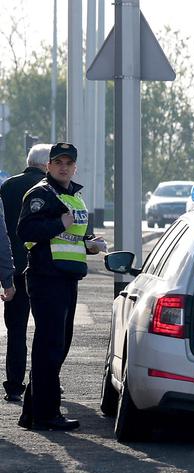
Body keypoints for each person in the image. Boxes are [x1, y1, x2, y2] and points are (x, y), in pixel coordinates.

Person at [17, 142, 107, 431]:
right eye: (58, 162)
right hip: (46, 277)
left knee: (58, 345)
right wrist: (59, 223)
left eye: (68, 163)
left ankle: (31, 412)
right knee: (50, 347)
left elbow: (73, 236)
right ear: (48, 166)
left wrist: (89, 245)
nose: (64, 167)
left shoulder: (74, 197)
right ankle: (47, 414)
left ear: (75, 167)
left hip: (67, 277)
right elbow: (26, 232)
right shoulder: (41, 194)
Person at [1, 144, 50, 402]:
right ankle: (44, 382)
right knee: (47, 331)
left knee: (16, 329)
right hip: (44, 270)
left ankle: (14, 384)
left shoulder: (7, 186)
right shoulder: (50, 188)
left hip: (15, 268)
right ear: (46, 164)